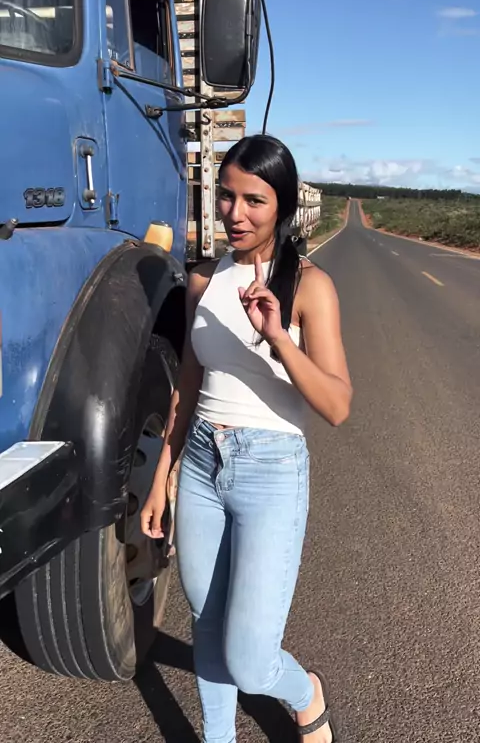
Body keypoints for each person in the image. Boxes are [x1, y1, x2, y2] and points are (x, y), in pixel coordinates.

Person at [141, 135, 352, 743]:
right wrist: (161, 477)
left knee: (251, 659)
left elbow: (337, 405)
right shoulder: (202, 281)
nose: (235, 214)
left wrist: (279, 337)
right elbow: (188, 384)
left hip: (271, 471)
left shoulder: (310, 286)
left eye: (254, 200)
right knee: (207, 627)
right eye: (227, 197)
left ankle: (306, 694)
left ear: (281, 206)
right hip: (202, 465)